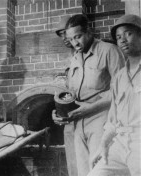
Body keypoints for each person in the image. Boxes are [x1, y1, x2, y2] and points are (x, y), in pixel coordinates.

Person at [53, 14, 125, 176]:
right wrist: (60, 112)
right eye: (71, 39)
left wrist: (89, 108)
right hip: (78, 123)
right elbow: (71, 94)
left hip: (102, 120)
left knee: (101, 170)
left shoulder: (109, 51)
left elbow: (121, 91)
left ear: (89, 31)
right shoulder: (75, 58)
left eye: (78, 37)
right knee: (83, 172)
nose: (75, 43)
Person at [88, 14, 141, 176]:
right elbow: (113, 119)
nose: (123, 40)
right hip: (120, 143)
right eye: (118, 37)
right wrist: (102, 145)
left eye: (128, 34)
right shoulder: (119, 77)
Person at [52, 16, 78, 176]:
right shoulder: (73, 58)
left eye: (66, 33)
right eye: (61, 35)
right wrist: (59, 111)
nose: (64, 38)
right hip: (72, 121)